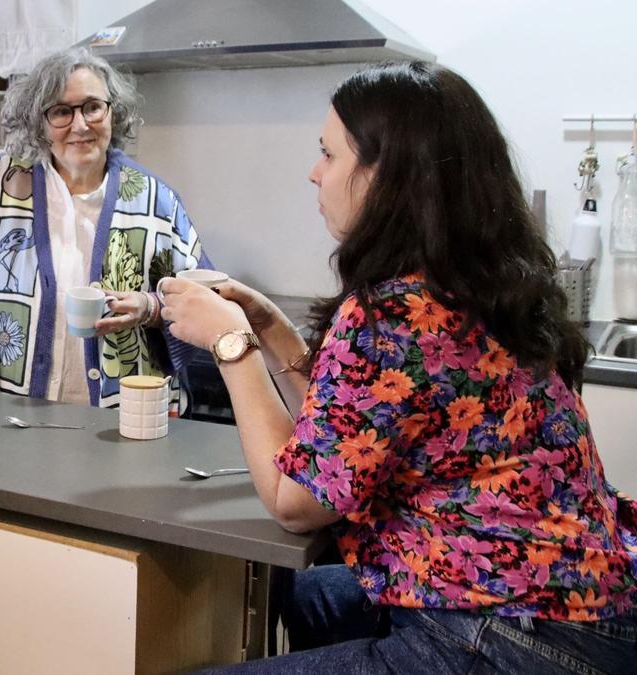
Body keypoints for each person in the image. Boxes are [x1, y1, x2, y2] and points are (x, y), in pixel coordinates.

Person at [159, 62, 637, 672]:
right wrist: (274, 330)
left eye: (328, 155)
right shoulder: (482, 284)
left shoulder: (391, 314)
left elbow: (296, 500)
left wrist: (232, 343)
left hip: (517, 634)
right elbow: (349, 443)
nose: (314, 172)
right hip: (588, 603)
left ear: (388, 176)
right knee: (307, 596)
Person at [0, 47, 213, 410]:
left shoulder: (154, 199)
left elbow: (209, 303)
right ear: (39, 123)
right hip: (22, 423)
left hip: (130, 421)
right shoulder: (0, 187)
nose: (80, 125)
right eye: (61, 111)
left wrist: (151, 307)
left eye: (93, 107)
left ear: (113, 112)